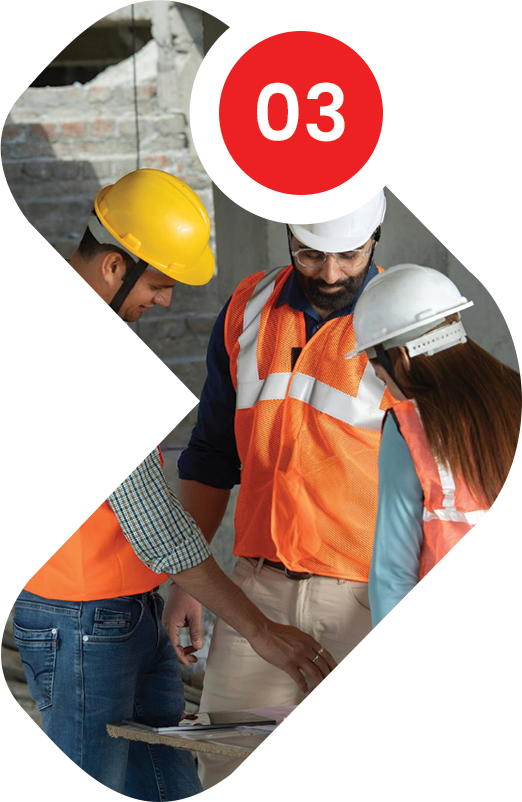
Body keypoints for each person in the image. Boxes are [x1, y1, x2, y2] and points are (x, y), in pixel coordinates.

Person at [2, 168, 340, 802]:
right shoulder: (77, 355)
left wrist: (35, 528)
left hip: (122, 612)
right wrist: (259, 630)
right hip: (82, 627)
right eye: (158, 285)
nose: (164, 301)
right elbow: (157, 526)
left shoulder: (86, 323)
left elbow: (70, 470)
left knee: (169, 791)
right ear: (112, 266)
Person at [171, 159, 425, 802]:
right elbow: (209, 458)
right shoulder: (248, 310)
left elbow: (449, 480)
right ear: (287, 234)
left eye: (349, 255)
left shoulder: (413, 319)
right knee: (227, 770)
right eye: (311, 255)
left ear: (377, 235)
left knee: (387, 780)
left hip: (376, 598)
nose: (332, 274)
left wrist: (427, 619)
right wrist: (188, 584)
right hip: (260, 591)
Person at [318, 264, 522, 802]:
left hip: (482, 685)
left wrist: (390, 711)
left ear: (400, 357)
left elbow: (393, 572)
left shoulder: (409, 428)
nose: (379, 378)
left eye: (374, 365)